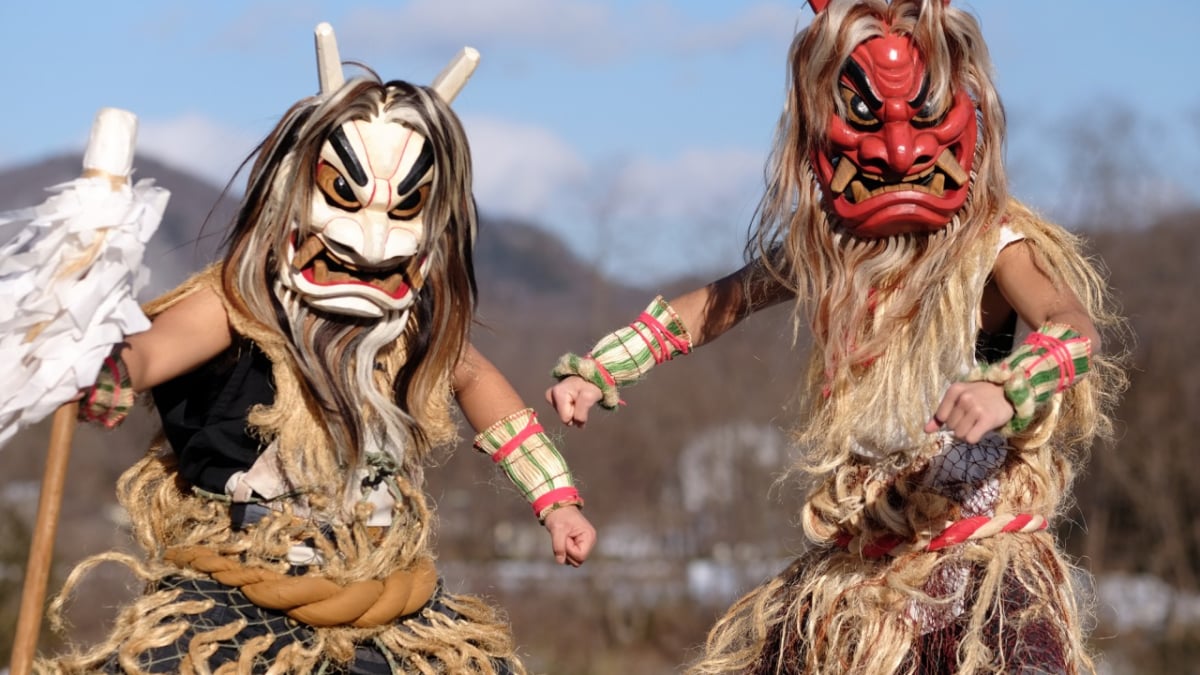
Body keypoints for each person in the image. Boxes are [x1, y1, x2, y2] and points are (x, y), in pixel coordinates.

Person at [547, 1, 1123, 673]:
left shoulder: (990, 243)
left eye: (921, 118)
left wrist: (1010, 387)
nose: (900, 148)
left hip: (976, 569)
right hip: (861, 576)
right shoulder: (832, 251)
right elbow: (717, 304)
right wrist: (603, 368)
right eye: (869, 119)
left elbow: (1074, 327)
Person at [45, 28, 594, 675]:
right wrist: (111, 369)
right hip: (242, 593)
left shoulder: (413, 322)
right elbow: (160, 345)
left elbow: (474, 379)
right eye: (344, 194)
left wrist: (555, 498)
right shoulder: (241, 300)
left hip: (388, 592)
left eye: (403, 205)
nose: (370, 235)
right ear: (297, 191)